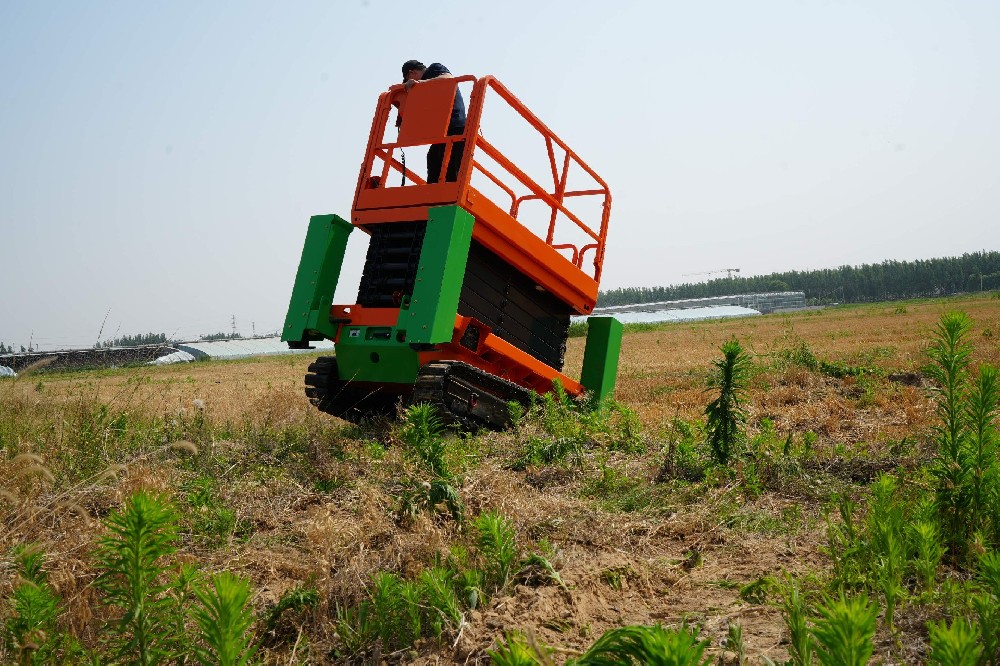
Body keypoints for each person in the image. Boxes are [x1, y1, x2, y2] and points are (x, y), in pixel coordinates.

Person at [400, 60, 466, 183]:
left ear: (412, 72)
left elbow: (448, 78)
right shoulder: (425, 88)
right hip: (443, 130)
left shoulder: (434, 69)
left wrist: (420, 83)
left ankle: (449, 197)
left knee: (451, 168)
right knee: (433, 159)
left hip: (456, 126)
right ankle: (433, 197)